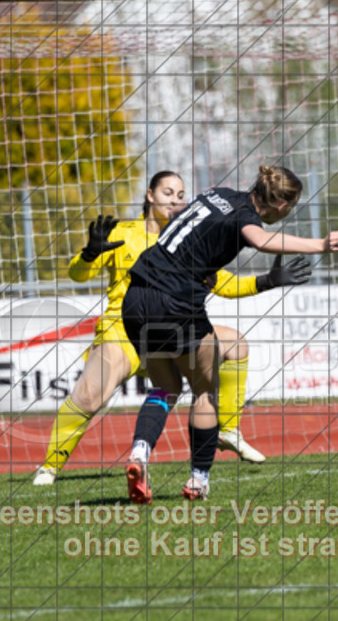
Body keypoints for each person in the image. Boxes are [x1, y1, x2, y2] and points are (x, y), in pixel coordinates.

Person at [32, 170, 311, 486]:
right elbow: (78, 275)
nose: (176, 200)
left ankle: (227, 430)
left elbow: (225, 284)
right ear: (150, 195)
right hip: (122, 332)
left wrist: (266, 282)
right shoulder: (125, 232)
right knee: (89, 398)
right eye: (168, 193)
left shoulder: (192, 233)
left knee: (235, 345)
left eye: (181, 195)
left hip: (172, 324)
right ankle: (49, 468)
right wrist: (89, 253)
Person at [122, 164, 338, 503]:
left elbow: (193, 237)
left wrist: (215, 271)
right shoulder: (247, 216)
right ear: (282, 205)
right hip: (175, 302)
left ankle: (139, 454)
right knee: (205, 393)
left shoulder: (218, 194)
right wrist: (320, 244)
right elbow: (259, 240)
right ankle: (198, 481)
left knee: (166, 387)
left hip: (136, 296)